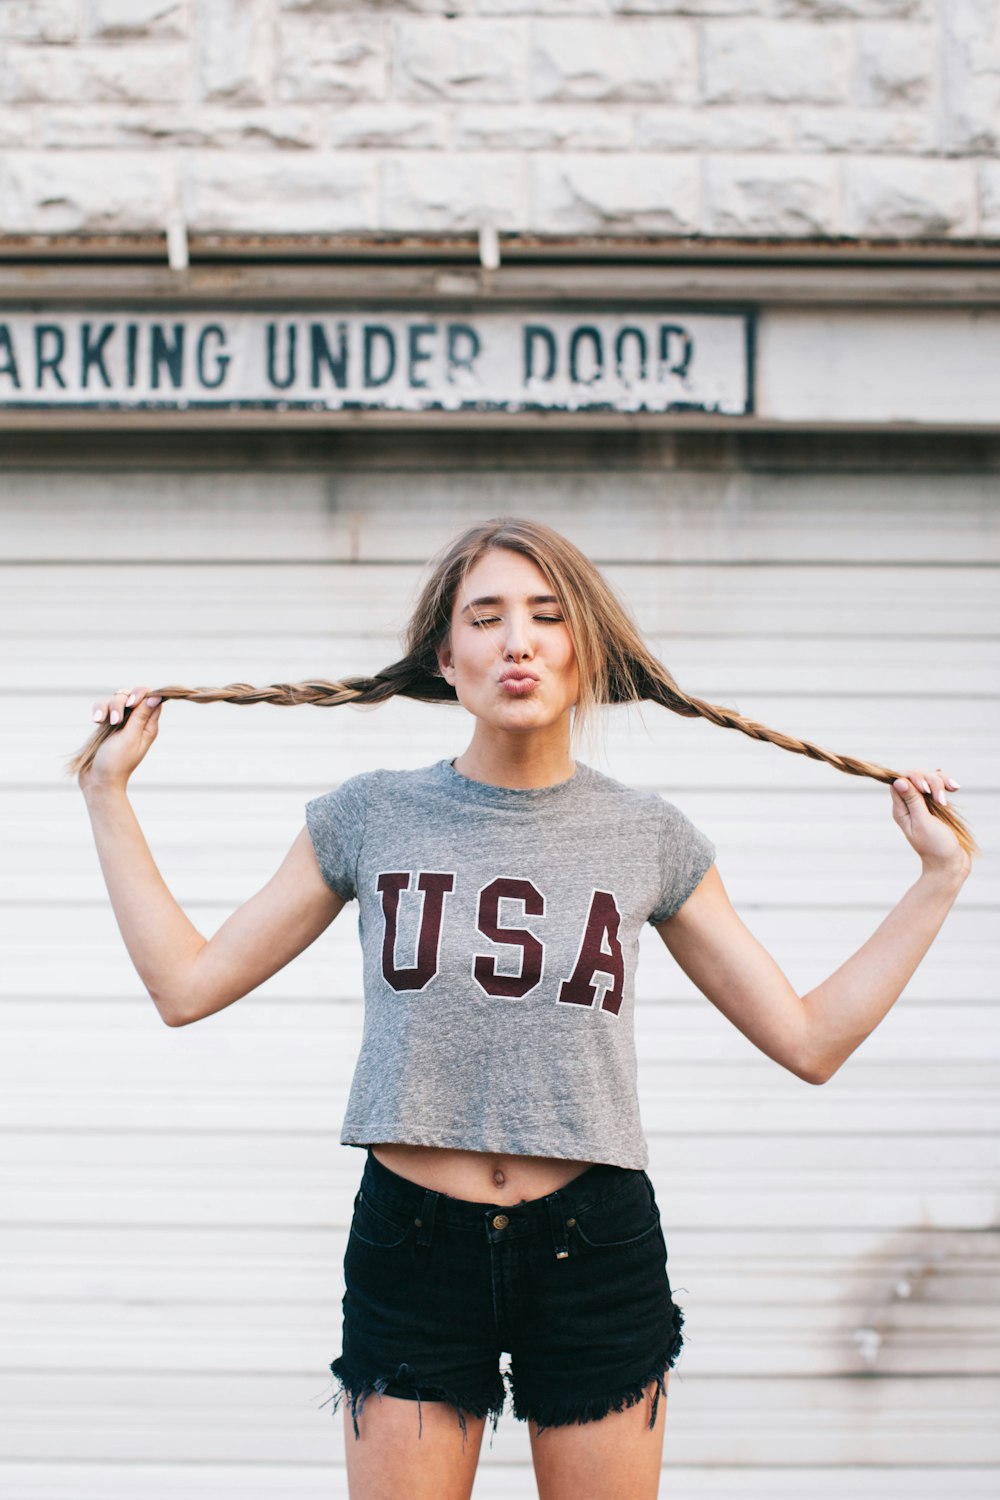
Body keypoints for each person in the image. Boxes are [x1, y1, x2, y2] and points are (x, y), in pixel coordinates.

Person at [70, 517, 974, 1500]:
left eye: (547, 615)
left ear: (583, 647)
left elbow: (808, 1040)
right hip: (413, 1248)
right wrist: (106, 793)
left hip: (594, 1250)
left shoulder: (647, 836)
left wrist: (936, 878)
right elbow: (185, 985)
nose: (518, 640)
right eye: (486, 616)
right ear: (444, 656)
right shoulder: (371, 816)